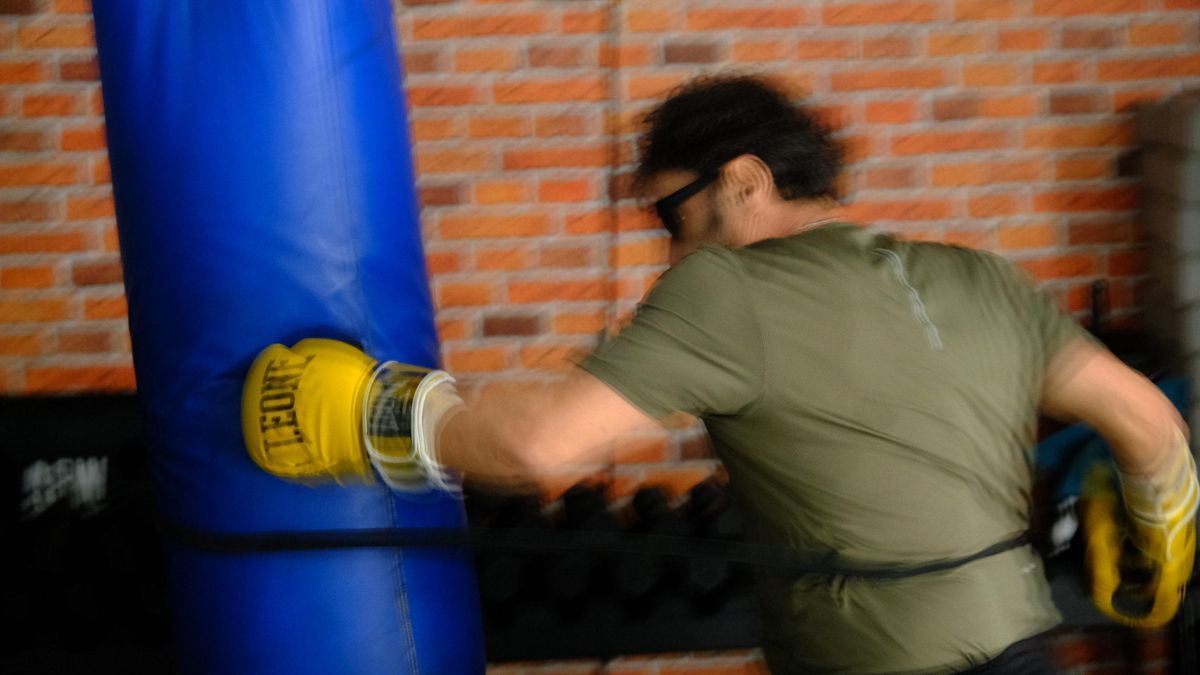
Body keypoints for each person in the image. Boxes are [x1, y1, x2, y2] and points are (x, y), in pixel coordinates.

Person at [243, 74, 1197, 674]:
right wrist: (1161, 529)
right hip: (1029, 652)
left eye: (671, 219)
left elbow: (539, 448)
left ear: (743, 181)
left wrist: (368, 408)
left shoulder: (728, 288)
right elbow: (1150, 424)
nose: (668, 258)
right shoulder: (984, 275)